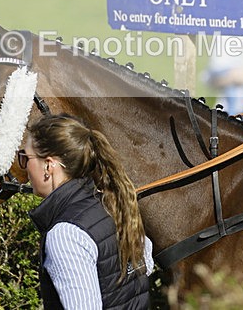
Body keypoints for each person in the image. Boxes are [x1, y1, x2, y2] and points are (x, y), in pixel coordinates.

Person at [20, 114, 153, 309]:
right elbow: (145, 265)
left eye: (24, 157)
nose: (23, 167)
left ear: (49, 165)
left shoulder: (65, 235)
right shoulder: (112, 204)